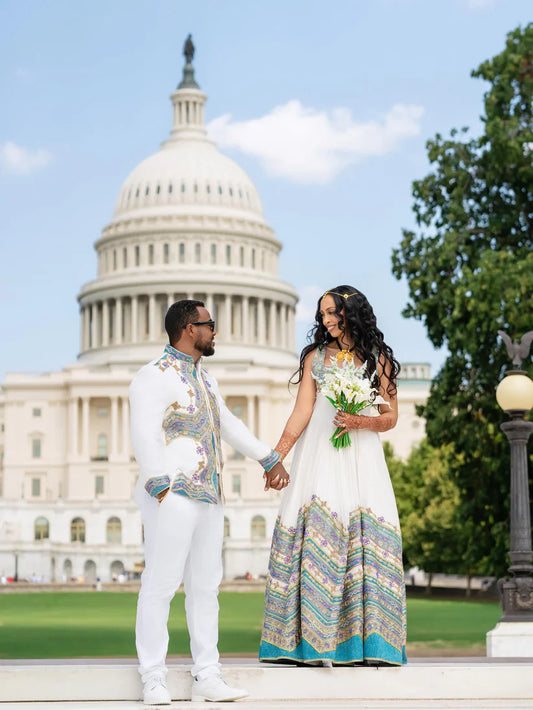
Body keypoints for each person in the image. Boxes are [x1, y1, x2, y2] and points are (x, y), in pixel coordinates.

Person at [130, 299, 289, 705]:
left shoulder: (207, 380)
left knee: (205, 587)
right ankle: (153, 676)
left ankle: (208, 674)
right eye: (208, 324)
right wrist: (159, 485)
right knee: (160, 585)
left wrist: (268, 458)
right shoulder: (152, 376)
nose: (214, 331)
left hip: (210, 494)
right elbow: (144, 432)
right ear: (188, 328)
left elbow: (229, 426)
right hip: (172, 493)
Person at [259, 285, 407, 667]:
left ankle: (370, 646)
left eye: (332, 313)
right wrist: (276, 458)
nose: (326, 321)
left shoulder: (377, 359)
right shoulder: (314, 357)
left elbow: (390, 418)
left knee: (364, 538)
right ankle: (305, 645)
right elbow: (301, 413)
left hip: (362, 458)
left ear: (350, 312)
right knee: (316, 535)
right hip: (319, 456)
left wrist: (359, 421)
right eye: (322, 314)